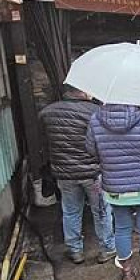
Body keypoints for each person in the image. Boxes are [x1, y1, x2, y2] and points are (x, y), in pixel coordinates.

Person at [86, 103, 140, 280]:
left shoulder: (96, 119)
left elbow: (91, 150)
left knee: (122, 228)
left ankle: (128, 275)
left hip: (115, 184)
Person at [38, 86, 115, 265]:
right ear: (84, 92)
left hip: (64, 174)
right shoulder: (96, 112)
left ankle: (75, 250)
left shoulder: (47, 113)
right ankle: (107, 248)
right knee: (101, 211)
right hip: (93, 173)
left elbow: (43, 144)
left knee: (70, 211)